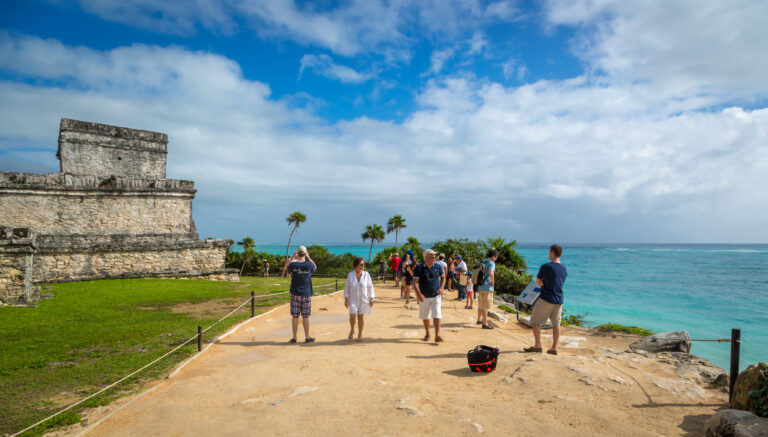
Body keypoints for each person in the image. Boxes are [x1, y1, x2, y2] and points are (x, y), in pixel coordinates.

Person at [524, 244, 568, 355]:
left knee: (534, 322)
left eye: (549, 252)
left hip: (546, 298)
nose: (549, 254)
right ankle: (554, 348)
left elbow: (538, 282)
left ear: (552, 253)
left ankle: (538, 346)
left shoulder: (545, 267)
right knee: (556, 325)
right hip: (559, 299)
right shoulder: (564, 269)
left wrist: (542, 282)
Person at [413, 249, 446, 342]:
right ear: (426, 257)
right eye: (432, 257)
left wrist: (442, 287)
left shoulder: (438, 267)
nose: (434, 258)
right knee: (425, 316)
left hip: (436, 295)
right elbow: (415, 283)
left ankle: (437, 335)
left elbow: (443, 278)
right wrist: (419, 294)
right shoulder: (419, 268)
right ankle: (427, 333)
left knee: (437, 314)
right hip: (424, 297)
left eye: (435, 257)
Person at [286, 246, 317, 343]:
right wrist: (308, 257)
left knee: (295, 316)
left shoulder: (293, 265)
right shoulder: (309, 265)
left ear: (297, 253)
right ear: (305, 253)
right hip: (306, 294)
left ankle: (294, 337)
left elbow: (287, 267)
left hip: (295, 293)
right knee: (305, 316)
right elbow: (315, 266)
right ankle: (307, 337)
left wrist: (292, 258)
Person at [344, 257, 375, 342]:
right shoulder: (351, 275)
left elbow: (370, 286)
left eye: (363, 264)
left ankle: (360, 333)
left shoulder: (366, 275)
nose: (363, 266)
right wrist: (346, 299)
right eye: (361, 264)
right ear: (356, 265)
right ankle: (352, 329)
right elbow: (346, 287)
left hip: (363, 299)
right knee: (352, 315)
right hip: (353, 299)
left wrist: (371, 298)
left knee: (361, 316)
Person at [476, 249, 499, 329]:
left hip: (480, 286)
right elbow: (491, 272)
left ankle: (479, 320)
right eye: (496, 257)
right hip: (487, 286)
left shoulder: (482, 261)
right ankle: (485, 323)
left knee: (481, 304)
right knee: (485, 305)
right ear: (493, 256)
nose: (496, 258)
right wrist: (492, 281)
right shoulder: (491, 263)